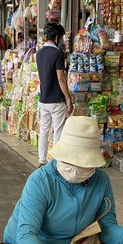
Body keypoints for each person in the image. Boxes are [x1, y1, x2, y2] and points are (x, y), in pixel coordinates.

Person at [36, 22, 72, 167]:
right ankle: (56, 162)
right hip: (56, 100)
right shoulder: (57, 53)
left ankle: (41, 161)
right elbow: (61, 79)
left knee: (44, 131)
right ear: (57, 37)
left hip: (43, 99)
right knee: (58, 131)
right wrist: (68, 98)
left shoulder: (39, 53)